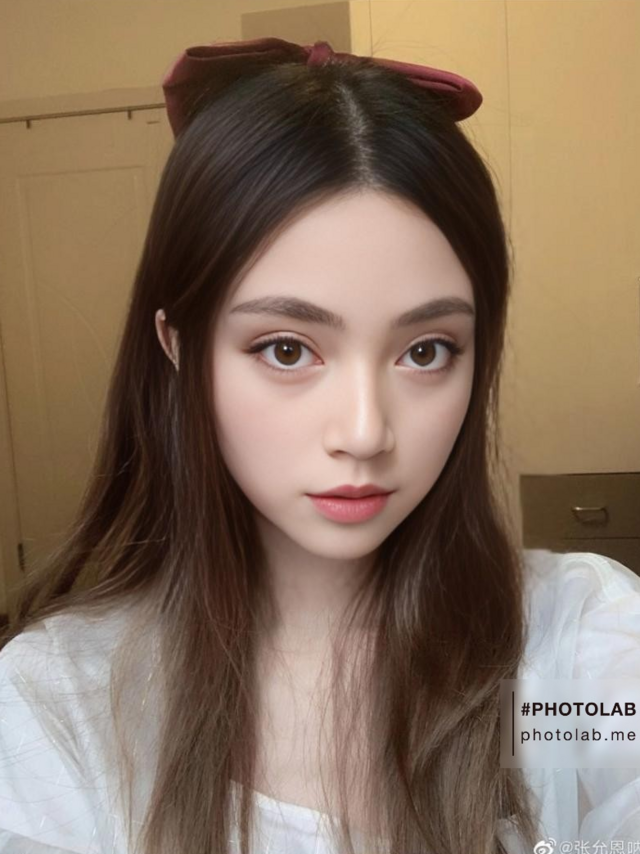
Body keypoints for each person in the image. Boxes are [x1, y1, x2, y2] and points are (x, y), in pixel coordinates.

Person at [1, 36, 639, 854]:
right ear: (177, 346)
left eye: (426, 351)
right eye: (287, 349)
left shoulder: (574, 644)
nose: (365, 431)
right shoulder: (58, 713)